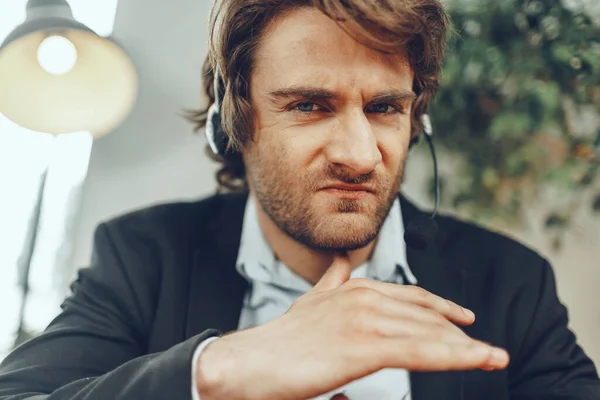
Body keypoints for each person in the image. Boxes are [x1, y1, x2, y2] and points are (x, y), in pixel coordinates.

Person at [1, 0, 599, 399]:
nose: (360, 155)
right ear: (234, 124)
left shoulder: (512, 281)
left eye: (385, 107)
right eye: (310, 105)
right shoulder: (144, 255)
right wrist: (226, 367)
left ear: (416, 122)